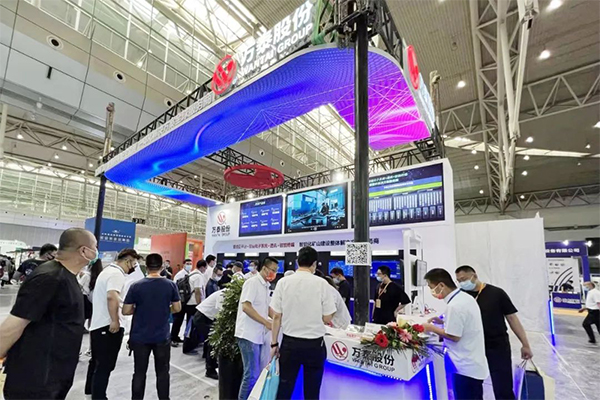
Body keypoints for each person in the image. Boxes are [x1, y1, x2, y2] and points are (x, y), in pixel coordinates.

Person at [0, 228, 96, 399]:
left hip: (53, 375)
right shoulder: (50, 277)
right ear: (84, 251)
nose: (96, 252)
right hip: (36, 380)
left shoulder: (67, 276)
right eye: (95, 247)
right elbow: (14, 325)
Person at [455, 266, 532, 400]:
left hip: (497, 346)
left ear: (474, 276)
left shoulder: (496, 293)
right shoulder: (461, 296)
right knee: (472, 389)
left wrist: (525, 344)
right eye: (459, 280)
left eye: (464, 279)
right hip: (472, 349)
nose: (462, 283)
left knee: (503, 387)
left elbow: (512, 318)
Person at [270, 247, 336, 400]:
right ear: (314, 264)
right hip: (315, 345)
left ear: (297, 261)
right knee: (312, 391)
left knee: (284, 388)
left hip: (290, 344)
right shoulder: (322, 284)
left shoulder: (283, 282)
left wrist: (274, 344)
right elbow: (327, 318)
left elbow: (276, 316)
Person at [422, 268, 489, 400]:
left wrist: (430, 328)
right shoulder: (464, 298)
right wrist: (443, 321)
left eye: (431, 287)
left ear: (441, 285)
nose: (431, 291)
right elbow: (465, 323)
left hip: (465, 368)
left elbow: (454, 336)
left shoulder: (455, 305)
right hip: (474, 363)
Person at [123, 253, 181, 400]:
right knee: (163, 372)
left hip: (140, 337)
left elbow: (126, 310)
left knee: (139, 372)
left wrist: (142, 309)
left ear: (146, 267)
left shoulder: (136, 286)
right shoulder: (170, 285)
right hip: (162, 337)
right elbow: (177, 308)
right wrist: (164, 310)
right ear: (162, 267)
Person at [85, 248, 141, 400]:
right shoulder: (116, 274)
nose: (133, 267)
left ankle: (90, 392)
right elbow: (112, 296)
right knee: (105, 365)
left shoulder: (107, 271)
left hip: (98, 325)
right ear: (127, 261)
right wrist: (115, 320)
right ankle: (99, 397)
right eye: (134, 264)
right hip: (107, 326)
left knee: (96, 362)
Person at [235, 257, 278, 400]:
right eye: (273, 270)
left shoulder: (265, 286)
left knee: (254, 373)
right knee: (251, 375)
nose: (274, 273)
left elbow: (266, 308)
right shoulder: (252, 283)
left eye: (276, 271)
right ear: (264, 268)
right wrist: (266, 322)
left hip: (257, 335)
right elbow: (246, 307)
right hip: (248, 334)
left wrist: (279, 319)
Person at [195, 288, 227, 379]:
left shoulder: (224, 292)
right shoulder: (223, 294)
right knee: (213, 341)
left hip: (207, 317)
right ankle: (210, 370)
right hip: (202, 318)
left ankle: (209, 360)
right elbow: (222, 313)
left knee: (210, 340)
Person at [180, 260, 206, 354]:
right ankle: (188, 346)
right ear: (202, 267)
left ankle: (189, 344)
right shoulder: (198, 276)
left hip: (188, 303)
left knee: (189, 325)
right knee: (191, 326)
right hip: (193, 304)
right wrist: (199, 305)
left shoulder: (191, 274)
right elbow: (198, 291)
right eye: (205, 268)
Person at [170, 259, 193, 344]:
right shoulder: (179, 275)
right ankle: (173, 337)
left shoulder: (190, 273)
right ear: (184, 264)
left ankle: (178, 337)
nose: (189, 265)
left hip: (187, 300)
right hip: (180, 300)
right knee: (178, 320)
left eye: (190, 264)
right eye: (187, 263)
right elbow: (175, 287)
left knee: (183, 320)